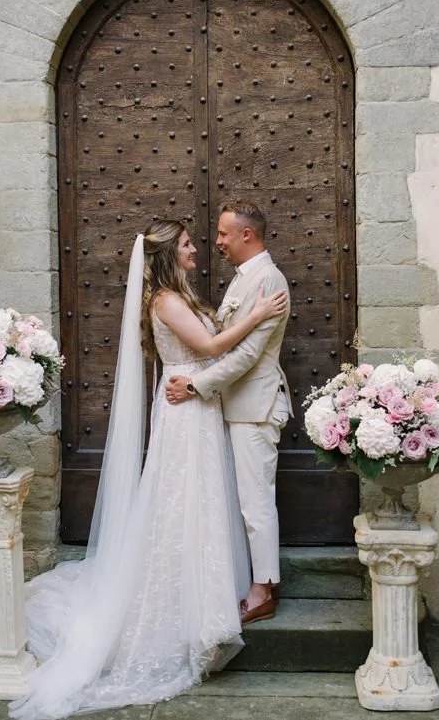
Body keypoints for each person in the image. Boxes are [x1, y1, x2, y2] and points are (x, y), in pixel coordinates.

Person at [9, 219, 288, 720]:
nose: (196, 247)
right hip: (186, 408)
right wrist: (259, 314)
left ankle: (203, 589)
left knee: (196, 499)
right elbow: (207, 349)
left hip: (196, 405)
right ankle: (180, 599)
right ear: (165, 256)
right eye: (185, 243)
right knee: (180, 498)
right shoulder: (165, 300)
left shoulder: (176, 296)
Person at [165, 201, 291, 625]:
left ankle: (263, 591)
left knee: (256, 503)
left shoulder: (268, 279)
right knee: (244, 500)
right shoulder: (245, 279)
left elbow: (250, 354)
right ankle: (256, 579)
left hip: (255, 407)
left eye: (223, 234)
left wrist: (196, 385)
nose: (216, 242)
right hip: (235, 405)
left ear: (246, 235)